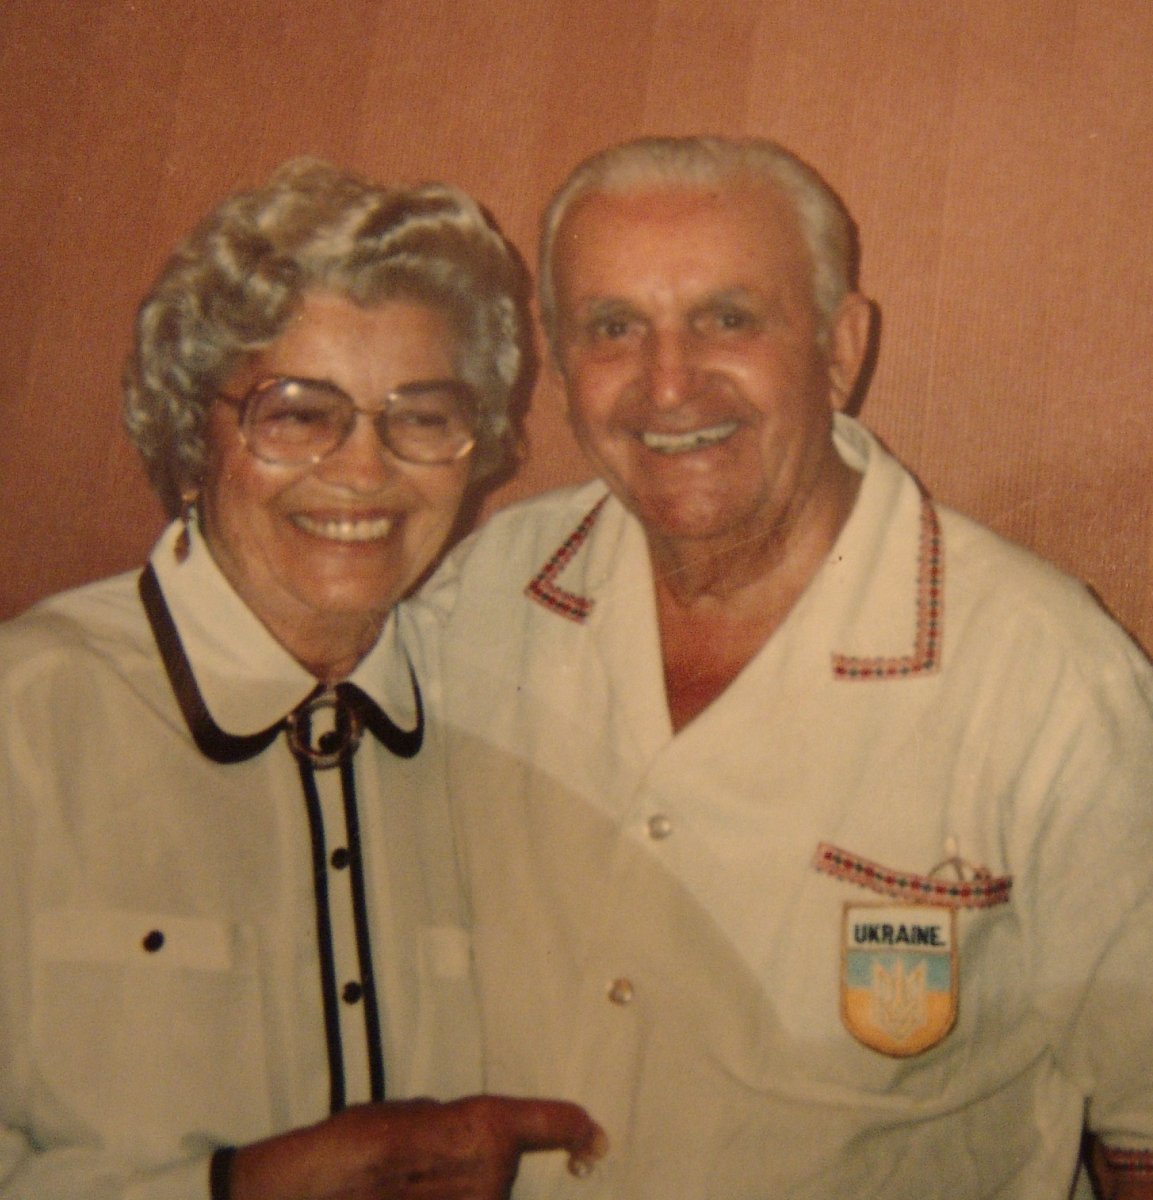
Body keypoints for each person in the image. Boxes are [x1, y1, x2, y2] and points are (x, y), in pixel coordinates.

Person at [423, 135, 1153, 1198]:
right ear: (560, 364)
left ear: (840, 347)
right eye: (614, 328)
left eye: (727, 319)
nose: (668, 384)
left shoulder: (1044, 676)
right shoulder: (477, 602)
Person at [0, 159, 605, 1200]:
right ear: (192, 433)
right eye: (295, 414)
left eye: (421, 415)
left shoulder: (508, 730)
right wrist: (235, 1191)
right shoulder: (28, 719)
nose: (363, 471)